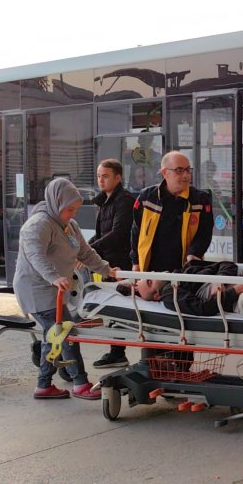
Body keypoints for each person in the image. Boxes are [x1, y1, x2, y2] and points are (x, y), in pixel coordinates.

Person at [93, 151, 213, 367]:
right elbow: (135, 232)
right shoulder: (147, 197)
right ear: (164, 172)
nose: (185, 175)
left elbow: (205, 233)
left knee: (180, 323)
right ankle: (155, 371)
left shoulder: (200, 199)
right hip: (151, 271)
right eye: (179, 170)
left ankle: (180, 370)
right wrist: (136, 262)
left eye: (188, 170)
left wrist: (193, 255)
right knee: (152, 324)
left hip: (182, 271)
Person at [13, 178, 116, 400]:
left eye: (76, 209)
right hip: (36, 290)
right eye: (69, 209)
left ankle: (44, 385)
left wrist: (107, 270)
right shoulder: (38, 224)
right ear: (56, 203)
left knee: (57, 335)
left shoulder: (69, 225)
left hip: (56, 290)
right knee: (64, 334)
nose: (73, 214)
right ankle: (79, 383)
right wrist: (54, 277)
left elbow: (85, 253)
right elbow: (35, 255)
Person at [86, 158, 135, 368]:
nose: (101, 180)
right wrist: (86, 248)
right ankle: (116, 351)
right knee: (112, 308)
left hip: (121, 263)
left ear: (118, 177)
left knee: (120, 307)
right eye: (98, 176)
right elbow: (100, 233)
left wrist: (91, 249)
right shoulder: (104, 201)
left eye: (105, 176)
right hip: (108, 262)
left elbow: (118, 233)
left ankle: (118, 351)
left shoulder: (124, 200)